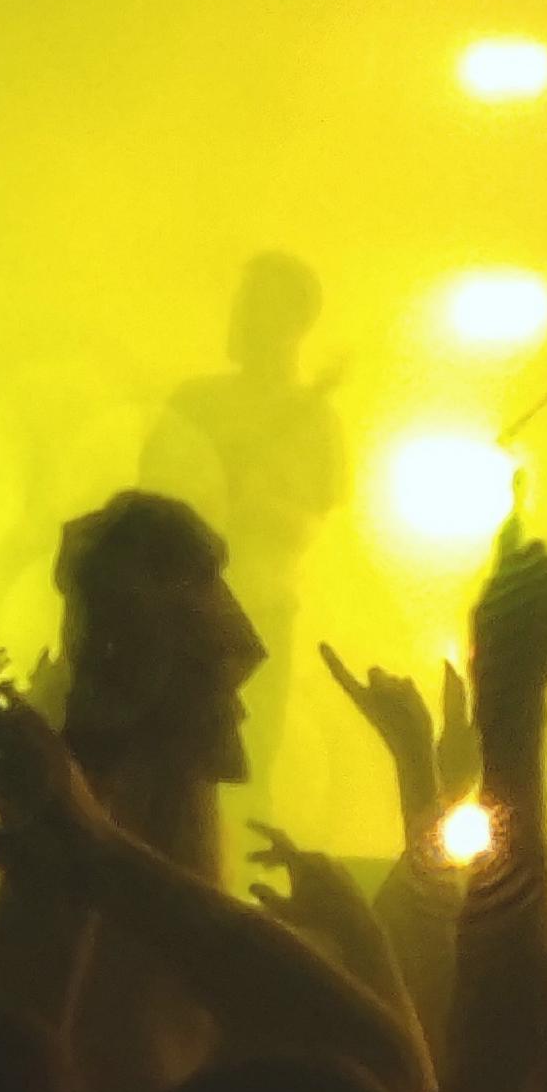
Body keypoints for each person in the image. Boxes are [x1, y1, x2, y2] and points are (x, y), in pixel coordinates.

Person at [136, 252, 343, 808]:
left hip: (263, 614)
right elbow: (152, 500)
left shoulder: (317, 420)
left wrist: (257, 506)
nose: (240, 317)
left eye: (256, 305)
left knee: (250, 768)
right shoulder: (195, 403)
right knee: (170, 772)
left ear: (294, 321)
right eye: (242, 303)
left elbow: (312, 523)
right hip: (181, 609)